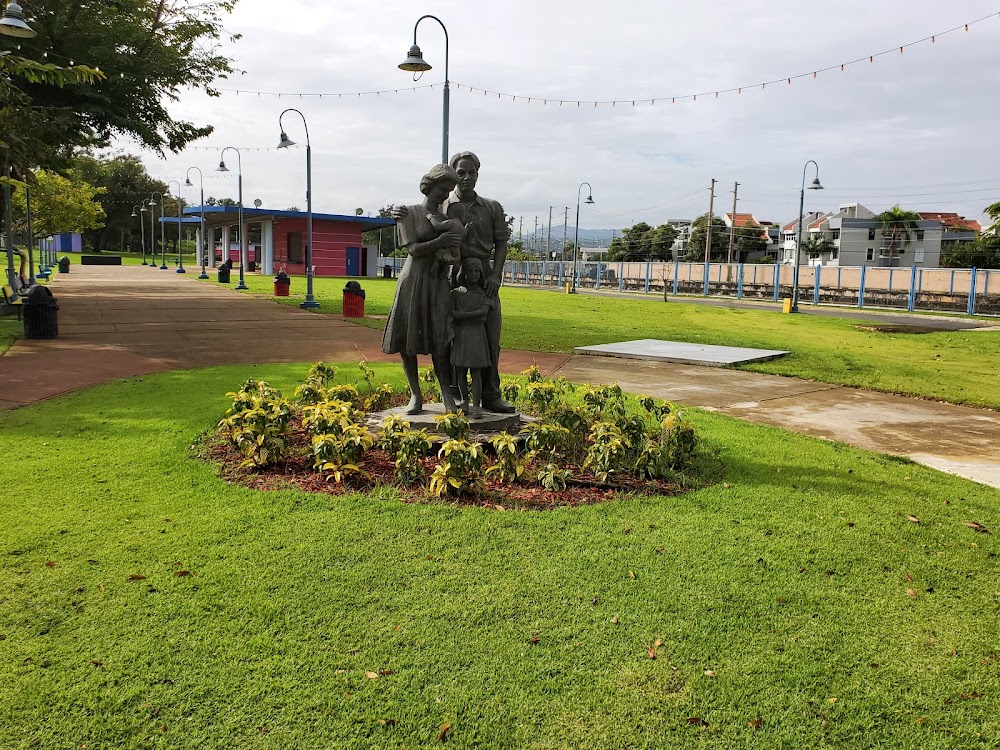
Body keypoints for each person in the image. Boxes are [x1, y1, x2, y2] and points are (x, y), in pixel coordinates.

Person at [382, 164, 464, 414]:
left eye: (448, 191)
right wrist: (439, 242)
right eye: (442, 189)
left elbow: (455, 253)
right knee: (408, 338)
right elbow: (413, 250)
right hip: (414, 280)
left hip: (437, 283)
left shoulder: (446, 220)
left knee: (440, 339)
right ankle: (415, 395)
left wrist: (451, 252)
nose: (444, 195)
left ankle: (447, 396)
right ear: (430, 186)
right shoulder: (409, 213)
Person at [443, 151, 514, 413]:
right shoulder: (444, 206)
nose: (466, 177)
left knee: (491, 338)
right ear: (454, 175)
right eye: (461, 172)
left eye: (471, 172)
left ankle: (491, 394)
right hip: (452, 277)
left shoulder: (492, 207)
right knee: (450, 338)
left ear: (477, 174)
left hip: (484, 278)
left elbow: (502, 242)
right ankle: (455, 394)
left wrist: (496, 275)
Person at [448, 257, 493, 417]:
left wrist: (460, 315)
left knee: (476, 373)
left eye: (476, 271)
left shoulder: (485, 294)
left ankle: (476, 405)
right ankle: (465, 402)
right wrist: (460, 317)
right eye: (470, 271)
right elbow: (449, 314)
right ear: (463, 273)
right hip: (461, 336)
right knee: (460, 371)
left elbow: (482, 314)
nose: (473, 274)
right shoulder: (455, 294)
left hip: (477, 335)